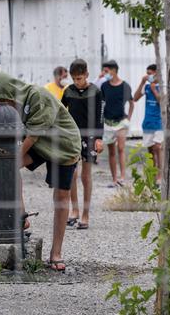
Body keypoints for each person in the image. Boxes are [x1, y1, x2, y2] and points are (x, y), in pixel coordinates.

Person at [0, 74, 81, 272]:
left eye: (4, 100)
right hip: (41, 144)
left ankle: (56, 253)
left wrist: (7, 160)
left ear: (10, 92)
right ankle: (21, 216)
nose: (3, 106)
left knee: (61, 197)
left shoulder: (37, 95)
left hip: (64, 145)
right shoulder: (13, 107)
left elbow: (33, 136)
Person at [61, 59, 103, 230]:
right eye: (74, 79)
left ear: (86, 74)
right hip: (72, 136)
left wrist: (99, 138)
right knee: (72, 174)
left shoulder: (96, 91)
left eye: (80, 78)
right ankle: (75, 210)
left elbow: (100, 115)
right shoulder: (68, 91)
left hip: (90, 136)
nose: (77, 82)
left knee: (86, 176)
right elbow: (61, 111)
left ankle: (86, 214)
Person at [100, 60, 134, 187]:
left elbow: (131, 102)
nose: (104, 73)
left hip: (121, 122)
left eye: (106, 71)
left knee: (120, 148)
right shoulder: (104, 86)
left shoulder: (125, 86)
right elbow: (102, 104)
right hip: (108, 122)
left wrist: (128, 119)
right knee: (111, 151)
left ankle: (123, 177)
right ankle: (114, 179)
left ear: (114, 70)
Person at [133, 64, 163, 183]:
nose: (148, 76)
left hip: (159, 122)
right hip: (148, 122)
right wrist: (142, 82)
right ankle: (153, 174)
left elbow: (162, 102)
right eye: (147, 73)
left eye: (151, 73)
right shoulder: (146, 87)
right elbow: (135, 98)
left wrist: (154, 89)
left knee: (157, 147)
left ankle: (160, 175)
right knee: (150, 150)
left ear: (157, 74)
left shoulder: (162, 87)